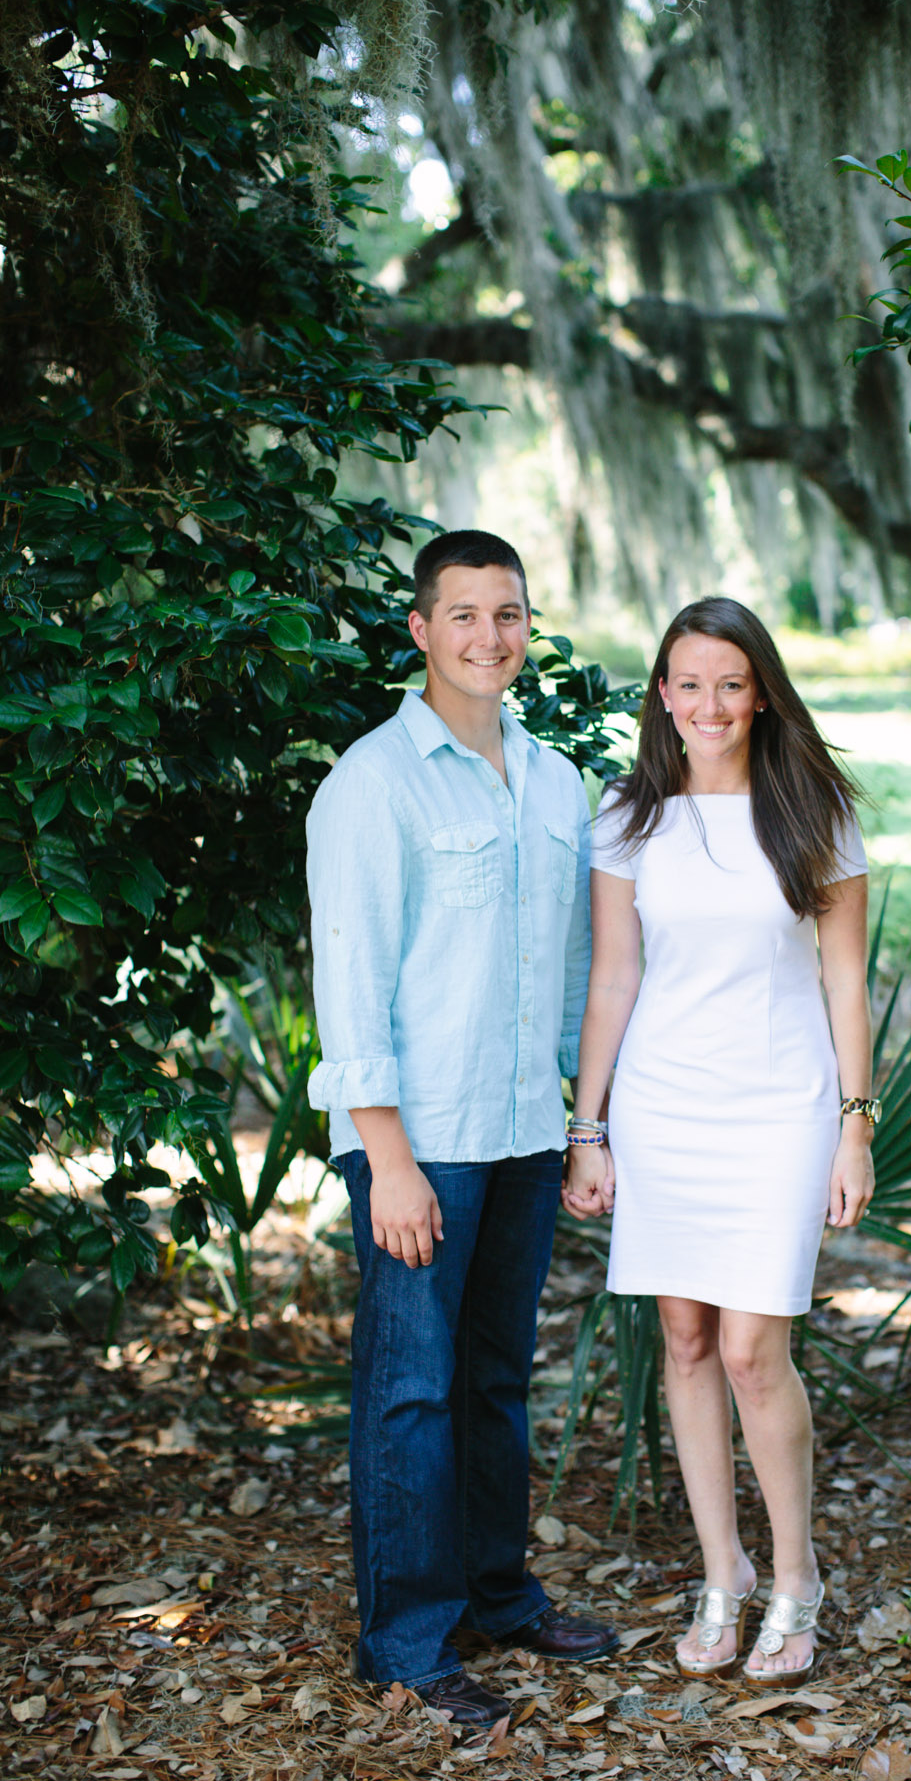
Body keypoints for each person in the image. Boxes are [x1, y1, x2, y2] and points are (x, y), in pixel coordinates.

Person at [305, 530, 619, 1731]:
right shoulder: (375, 782)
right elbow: (352, 983)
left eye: (510, 615)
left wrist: (582, 1128)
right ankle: (408, 1642)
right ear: (419, 632)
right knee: (411, 1392)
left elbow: (575, 967)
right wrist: (385, 1157)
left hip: (523, 1133)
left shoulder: (552, 778)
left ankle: (500, 1594)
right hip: (419, 1141)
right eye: (465, 615)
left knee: (495, 1379)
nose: (490, 637)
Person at [562, 595, 875, 1686]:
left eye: (731, 684)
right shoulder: (626, 818)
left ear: (761, 692)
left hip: (781, 1105)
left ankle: (798, 1578)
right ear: (662, 693)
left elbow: (844, 977)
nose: (709, 705)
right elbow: (614, 975)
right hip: (660, 1104)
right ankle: (722, 1572)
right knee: (686, 1344)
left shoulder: (815, 814)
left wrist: (854, 1125)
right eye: (688, 684)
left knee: (752, 1350)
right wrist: (589, 1127)